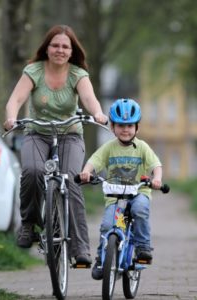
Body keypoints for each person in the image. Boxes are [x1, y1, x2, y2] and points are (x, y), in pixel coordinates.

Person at [4, 24, 107, 265]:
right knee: (32, 171)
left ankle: (80, 248)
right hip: (37, 132)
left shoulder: (77, 74)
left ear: (72, 51)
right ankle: (29, 225)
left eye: (65, 46)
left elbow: (90, 100)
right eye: (55, 45)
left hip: (69, 135)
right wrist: (11, 117)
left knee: (71, 180)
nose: (60, 50)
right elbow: (15, 100)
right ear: (46, 48)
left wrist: (99, 114)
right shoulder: (34, 70)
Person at [79, 98, 162, 279]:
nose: (125, 130)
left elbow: (156, 165)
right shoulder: (109, 148)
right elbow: (94, 160)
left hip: (138, 193)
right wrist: (86, 172)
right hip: (116, 197)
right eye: (121, 125)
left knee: (140, 210)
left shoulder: (142, 147)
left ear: (137, 128)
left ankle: (142, 248)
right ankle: (102, 259)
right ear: (112, 127)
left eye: (130, 126)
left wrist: (157, 179)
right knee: (108, 225)